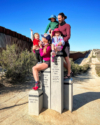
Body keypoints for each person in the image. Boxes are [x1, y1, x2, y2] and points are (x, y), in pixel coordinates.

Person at [58, 12, 72, 79]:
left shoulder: (67, 25)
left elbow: (68, 36)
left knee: (66, 59)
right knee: (60, 59)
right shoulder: (57, 25)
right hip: (58, 45)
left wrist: (62, 41)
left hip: (65, 44)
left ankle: (69, 74)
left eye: (60, 18)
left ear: (63, 18)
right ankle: (70, 70)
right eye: (58, 18)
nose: (58, 19)